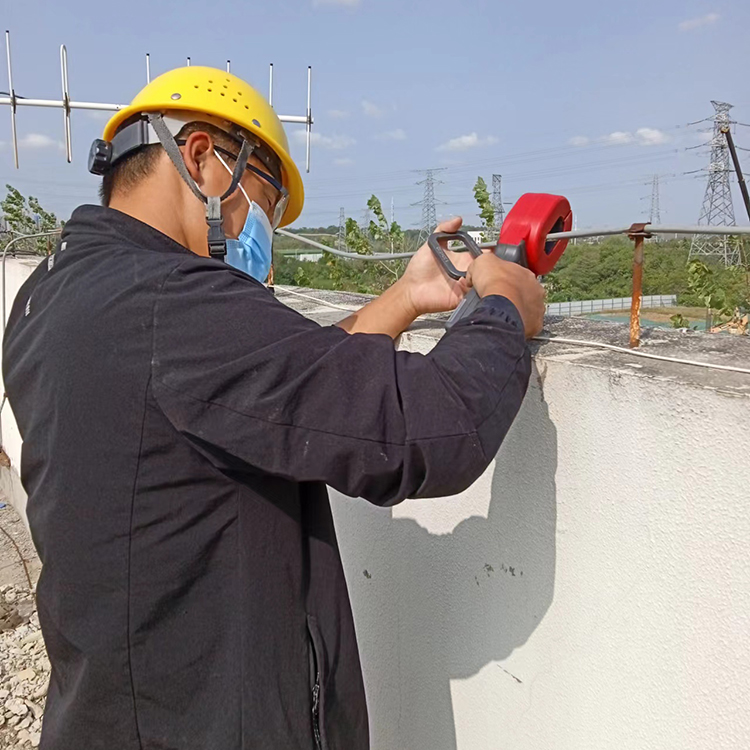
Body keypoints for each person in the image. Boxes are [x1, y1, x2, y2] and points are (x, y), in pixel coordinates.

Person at [2, 66, 544, 750]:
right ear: (200, 155)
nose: (264, 232)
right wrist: (503, 312)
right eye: (262, 197)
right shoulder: (174, 303)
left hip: (110, 705)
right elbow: (432, 431)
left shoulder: (53, 294)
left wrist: (405, 299)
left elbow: (270, 391)